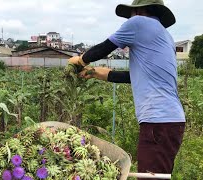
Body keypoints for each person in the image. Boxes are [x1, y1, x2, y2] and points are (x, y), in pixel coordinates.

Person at [68, 0, 186, 178]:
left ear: (138, 10)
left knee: (150, 177)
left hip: (158, 123)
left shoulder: (138, 22)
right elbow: (138, 76)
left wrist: (81, 60)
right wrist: (97, 73)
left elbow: (105, 47)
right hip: (171, 121)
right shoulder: (165, 37)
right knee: (158, 175)